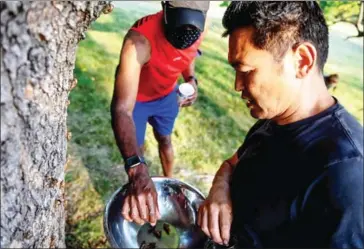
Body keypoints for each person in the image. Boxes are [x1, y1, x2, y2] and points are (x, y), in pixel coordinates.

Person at [197, 2, 363, 248]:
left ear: (302, 61)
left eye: (246, 70)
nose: (237, 85)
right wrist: (219, 190)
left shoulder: (344, 173)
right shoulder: (274, 119)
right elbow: (232, 163)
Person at [111, 1, 210, 226]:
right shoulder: (138, 42)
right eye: (180, 25)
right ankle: (139, 194)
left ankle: (169, 181)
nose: (187, 34)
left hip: (166, 97)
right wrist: (136, 169)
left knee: (165, 139)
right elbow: (121, 109)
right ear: (165, 8)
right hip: (137, 102)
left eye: (194, 27)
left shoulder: (200, 26)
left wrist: (190, 79)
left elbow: (189, 52)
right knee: (138, 152)